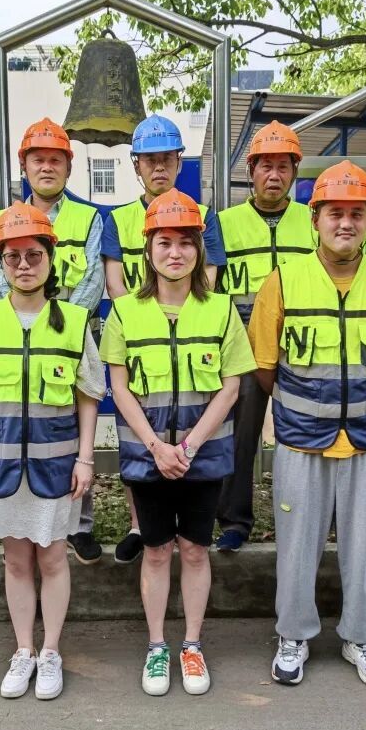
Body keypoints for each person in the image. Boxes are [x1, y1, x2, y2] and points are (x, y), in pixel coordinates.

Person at [249, 162, 366, 688]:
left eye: (356, 214)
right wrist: (309, 405)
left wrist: (357, 403)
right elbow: (264, 363)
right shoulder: (283, 281)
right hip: (302, 439)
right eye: (334, 213)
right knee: (296, 545)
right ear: (315, 219)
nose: (345, 223)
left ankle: (361, 637)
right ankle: (293, 634)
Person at [101, 189, 255, 697]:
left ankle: (191, 644)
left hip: (201, 458)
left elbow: (230, 387)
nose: (175, 252)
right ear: (148, 251)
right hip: (148, 459)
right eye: (164, 242)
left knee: (193, 550)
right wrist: (157, 448)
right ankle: (156, 647)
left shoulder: (222, 310)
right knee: (155, 551)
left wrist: (186, 449)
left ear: (199, 250)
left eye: (186, 242)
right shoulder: (124, 312)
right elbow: (119, 387)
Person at [0, 202, 103, 701]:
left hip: (55, 465)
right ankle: (24, 650)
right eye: (13, 256)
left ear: (50, 259)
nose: (23, 264)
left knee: (54, 558)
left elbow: (88, 396)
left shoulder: (75, 320)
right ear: (1, 262)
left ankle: (51, 651)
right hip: (0, 465)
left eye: (33, 255)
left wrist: (86, 458)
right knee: (16, 561)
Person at [102, 114, 228, 565]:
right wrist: (143, 324)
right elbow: (115, 284)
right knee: (140, 429)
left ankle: (193, 523)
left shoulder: (205, 218)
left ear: (179, 162)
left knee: (193, 418)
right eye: (149, 159)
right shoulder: (118, 219)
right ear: (136, 164)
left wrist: (181, 320)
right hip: (137, 336)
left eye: (167, 159)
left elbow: (208, 281)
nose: (159, 167)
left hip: (192, 333)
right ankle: (140, 524)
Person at [0, 118, 106, 565]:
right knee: (23, 423)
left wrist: (63, 323)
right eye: (38, 159)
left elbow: (93, 279)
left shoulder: (89, 218)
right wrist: (23, 321)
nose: (47, 167)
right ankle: (18, 516)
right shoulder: (5, 220)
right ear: (24, 166)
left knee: (73, 428)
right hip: (15, 336)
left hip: (71, 337)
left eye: (56, 159)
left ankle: (80, 525)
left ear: (68, 167)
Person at [214, 121, 316, 552]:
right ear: (251, 171)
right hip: (244, 343)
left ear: (294, 172)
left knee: (304, 435)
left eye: (283, 167)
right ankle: (234, 520)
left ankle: (306, 518)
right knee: (240, 435)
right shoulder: (223, 223)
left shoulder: (312, 221)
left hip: (301, 344)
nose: (274, 175)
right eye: (265, 166)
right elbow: (211, 289)